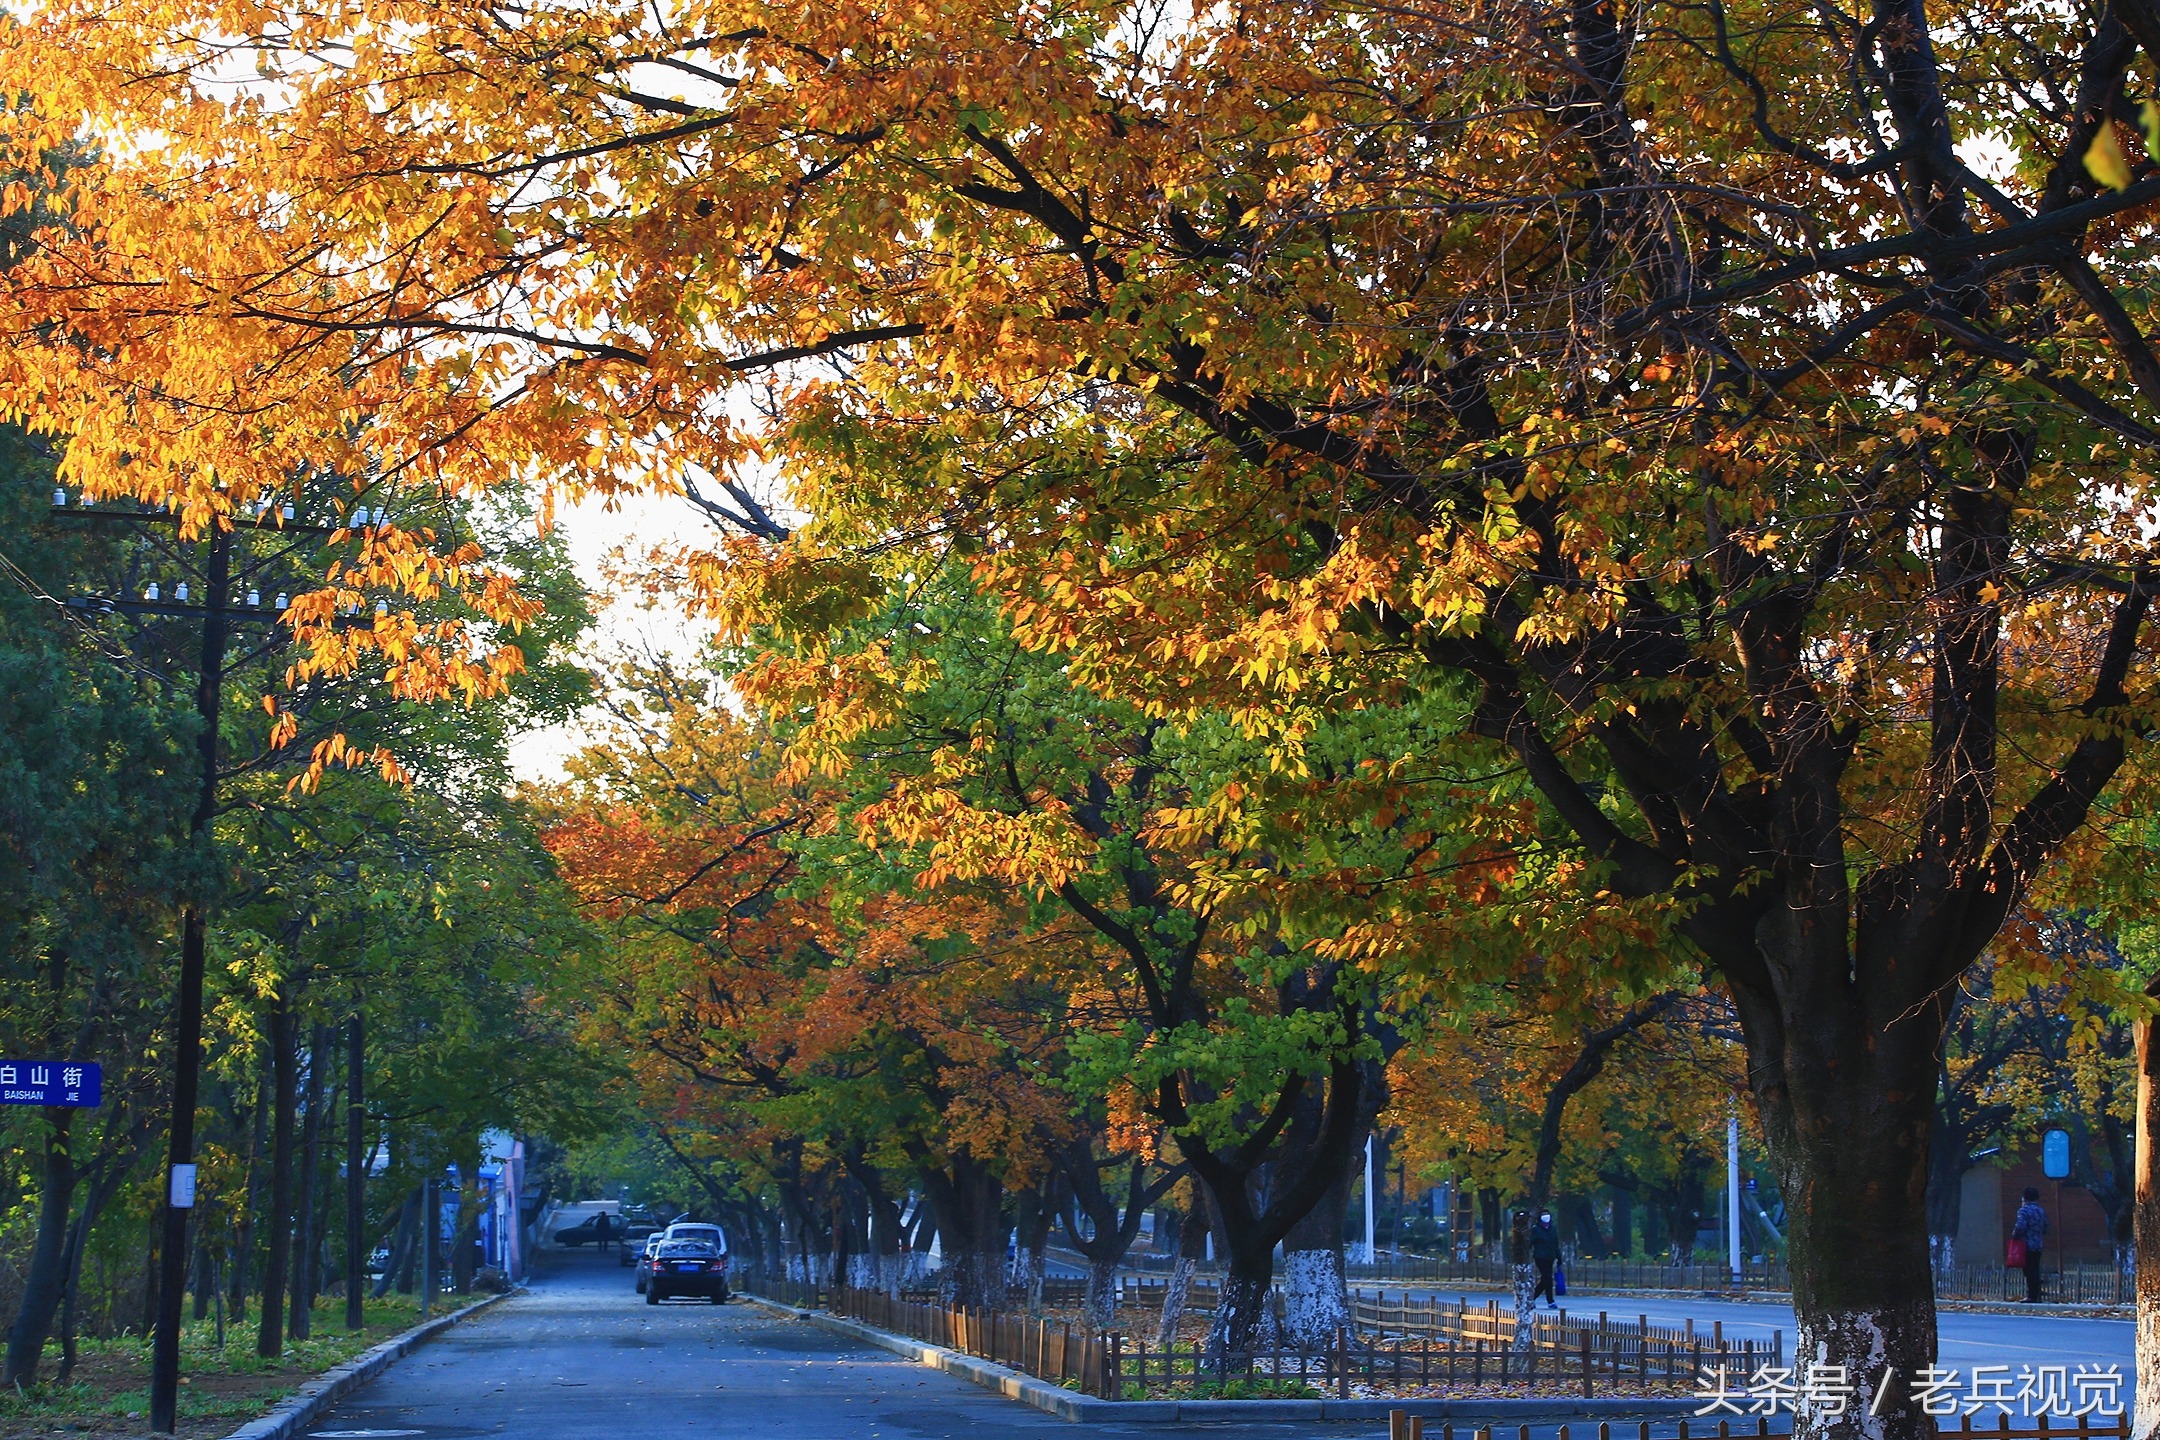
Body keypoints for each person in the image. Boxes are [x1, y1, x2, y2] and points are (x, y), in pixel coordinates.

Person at [2012, 1188, 2047, 1301]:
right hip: (2038, 1244)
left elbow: (2020, 1226)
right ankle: (2037, 1293)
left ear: (2025, 1198)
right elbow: (2046, 1226)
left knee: (2028, 1271)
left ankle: (2031, 1295)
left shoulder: (2024, 1211)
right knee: (2036, 1269)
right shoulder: (2041, 1210)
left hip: (2026, 1245)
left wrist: (2015, 1236)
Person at [1531, 1210, 1561, 1309]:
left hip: (1550, 1256)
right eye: (1543, 1215)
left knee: (1546, 1279)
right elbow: (1531, 1242)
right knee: (1547, 1278)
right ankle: (1550, 1300)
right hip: (1540, 1256)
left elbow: (1556, 1244)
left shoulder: (1553, 1229)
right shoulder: (1536, 1229)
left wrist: (1558, 1256)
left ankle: (1531, 1298)